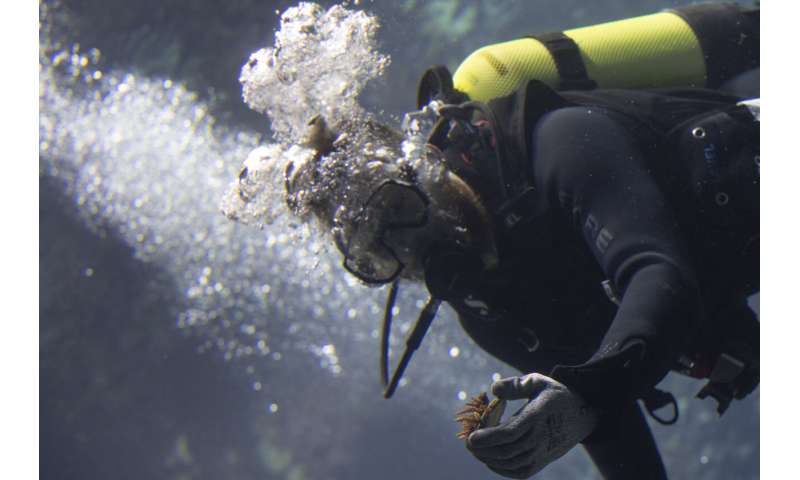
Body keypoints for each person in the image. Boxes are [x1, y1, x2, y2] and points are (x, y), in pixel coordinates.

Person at [278, 3, 759, 479]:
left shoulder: (556, 141)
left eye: (401, 209)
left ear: (422, 166)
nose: (411, 249)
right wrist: (578, 401)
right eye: (378, 253)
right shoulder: (491, 313)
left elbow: (659, 273)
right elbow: (604, 421)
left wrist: (587, 392)